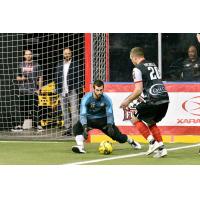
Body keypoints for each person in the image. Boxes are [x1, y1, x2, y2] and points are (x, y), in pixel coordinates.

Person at [120, 47, 169, 158]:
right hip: (165, 99)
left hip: (153, 100)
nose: (131, 61)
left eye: (131, 59)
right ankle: (161, 148)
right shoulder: (153, 64)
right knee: (150, 120)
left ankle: (152, 143)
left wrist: (127, 101)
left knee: (131, 115)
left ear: (135, 57)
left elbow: (138, 90)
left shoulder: (137, 69)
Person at [72, 80, 141, 153]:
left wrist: (110, 125)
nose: (99, 92)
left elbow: (110, 114)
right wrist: (85, 126)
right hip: (89, 120)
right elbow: (83, 114)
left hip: (103, 121)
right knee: (76, 128)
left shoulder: (107, 99)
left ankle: (130, 140)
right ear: (93, 89)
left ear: (103, 89)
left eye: (101, 90)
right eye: (97, 90)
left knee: (119, 138)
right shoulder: (86, 98)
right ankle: (80, 146)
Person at [11, 50, 43, 132]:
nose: (28, 56)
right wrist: (22, 78)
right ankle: (20, 126)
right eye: (26, 54)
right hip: (23, 90)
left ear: (32, 55)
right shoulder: (20, 65)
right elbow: (17, 77)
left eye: (30, 54)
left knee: (35, 109)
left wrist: (39, 89)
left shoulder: (37, 65)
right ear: (24, 56)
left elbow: (40, 77)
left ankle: (37, 125)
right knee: (22, 109)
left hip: (33, 91)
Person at [55, 48, 83, 136]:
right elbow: (56, 77)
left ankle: (75, 129)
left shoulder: (75, 64)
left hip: (72, 90)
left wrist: (78, 89)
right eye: (65, 54)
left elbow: (79, 77)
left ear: (71, 54)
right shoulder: (59, 65)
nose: (67, 55)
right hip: (62, 91)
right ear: (63, 55)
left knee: (74, 111)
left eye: (68, 53)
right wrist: (57, 88)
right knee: (64, 111)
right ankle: (67, 128)